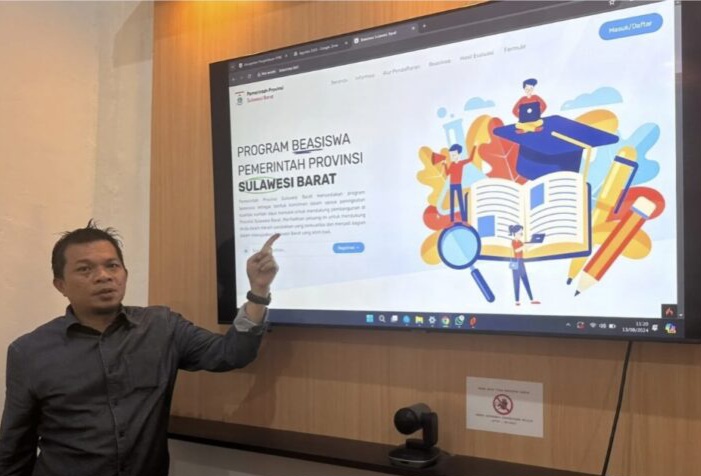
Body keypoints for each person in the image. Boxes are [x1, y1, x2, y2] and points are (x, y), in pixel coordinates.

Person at [0, 220, 280, 476]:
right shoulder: (29, 352)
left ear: (125, 273)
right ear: (60, 285)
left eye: (112, 265)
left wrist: (258, 292)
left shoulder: (162, 327)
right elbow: (14, 448)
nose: (103, 276)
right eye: (85, 269)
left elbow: (231, 353)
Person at [509, 224, 540, 306]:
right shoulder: (513, 242)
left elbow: (523, 248)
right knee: (516, 281)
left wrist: (532, 243)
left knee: (525, 279)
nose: (521, 235)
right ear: (515, 233)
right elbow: (516, 250)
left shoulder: (520, 242)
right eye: (520, 233)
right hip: (514, 261)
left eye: (521, 233)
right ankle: (517, 301)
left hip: (520, 261)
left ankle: (531, 299)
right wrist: (524, 246)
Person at [443, 143, 472, 222]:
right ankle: (452, 220)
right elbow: (447, 173)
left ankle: (464, 219)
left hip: (458, 185)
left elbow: (471, 159)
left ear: (458, 154)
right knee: (452, 203)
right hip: (452, 185)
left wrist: (474, 147)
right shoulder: (452, 164)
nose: (452, 157)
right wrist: (445, 165)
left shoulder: (461, 163)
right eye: (451, 155)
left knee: (460, 202)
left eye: (453, 155)